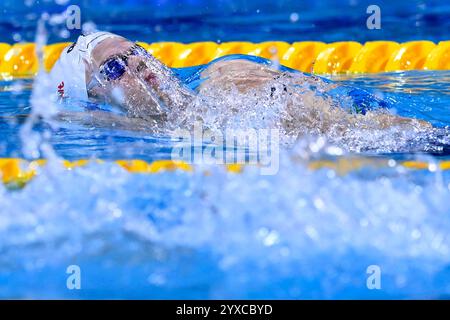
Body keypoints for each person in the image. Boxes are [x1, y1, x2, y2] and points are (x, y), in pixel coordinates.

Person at [48, 32, 430, 135]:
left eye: (137, 53)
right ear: (100, 100)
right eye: (115, 69)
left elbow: (362, 118)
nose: (137, 66)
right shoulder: (159, 128)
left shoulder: (226, 77)